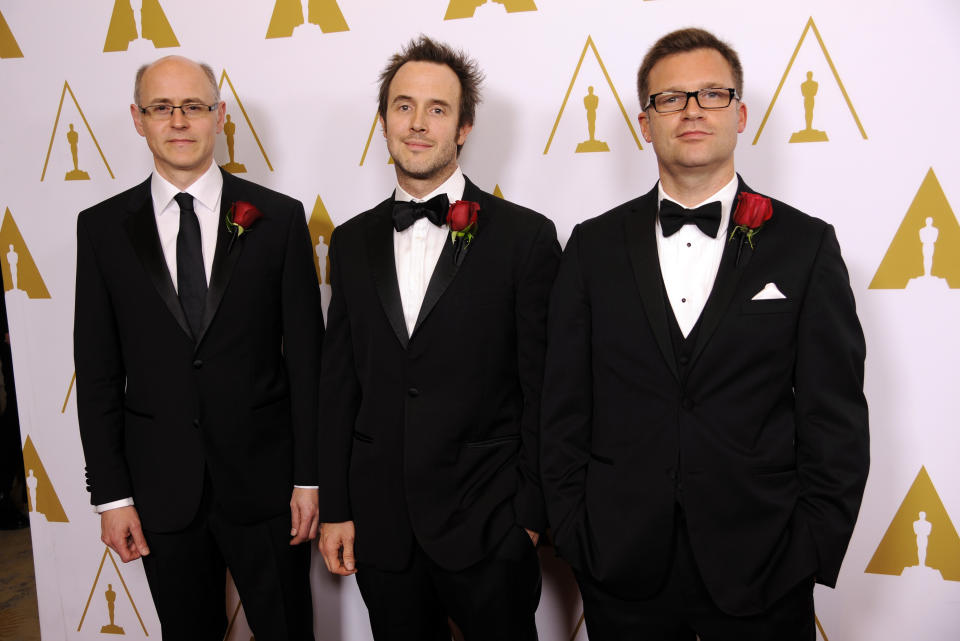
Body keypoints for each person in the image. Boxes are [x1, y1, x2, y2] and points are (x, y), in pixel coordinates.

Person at [540, 28, 869, 640]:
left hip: (766, 562)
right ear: (645, 122)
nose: (692, 109)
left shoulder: (806, 246)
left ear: (740, 114)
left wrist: (810, 546)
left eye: (712, 94)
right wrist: (577, 532)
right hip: (620, 563)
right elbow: (563, 406)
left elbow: (836, 416)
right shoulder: (591, 248)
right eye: (671, 98)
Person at [317, 35, 559, 641]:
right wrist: (339, 507)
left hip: (489, 526)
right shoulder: (350, 242)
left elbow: (547, 388)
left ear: (464, 126)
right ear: (383, 121)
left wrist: (528, 517)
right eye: (403, 106)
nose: (417, 123)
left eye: (437, 109)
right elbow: (340, 381)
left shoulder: (524, 239)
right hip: (382, 530)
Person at [74, 55, 321, 641]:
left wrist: (309, 480)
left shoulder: (279, 219)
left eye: (194, 106)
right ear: (138, 119)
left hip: (268, 486)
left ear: (220, 116)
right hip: (160, 489)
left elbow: (309, 360)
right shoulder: (102, 229)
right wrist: (111, 496)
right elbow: (99, 370)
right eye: (162, 107)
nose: (179, 120)